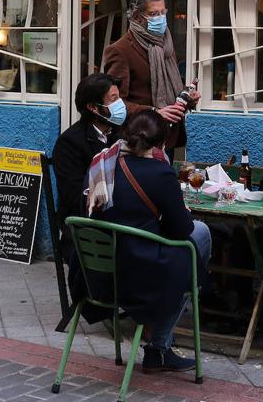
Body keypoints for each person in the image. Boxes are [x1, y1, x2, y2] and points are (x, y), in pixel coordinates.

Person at [85, 109, 211, 373]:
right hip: (139, 274)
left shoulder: (103, 164)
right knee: (197, 246)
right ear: (161, 144)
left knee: (191, 247)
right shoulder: (160, 173)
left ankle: (162, 343)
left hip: (95, 277)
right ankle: (159, 348)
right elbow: (180, 229)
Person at [103, 0, 199, 157]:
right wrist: (154, 111)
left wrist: (187, 98)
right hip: (140, 140)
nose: (161, 18)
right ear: (137, 16)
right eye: (154, 14)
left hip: (168, 136)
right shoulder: (120, 50)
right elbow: (114, 102)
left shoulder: (165, 44)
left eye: (163, 12)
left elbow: (168, 84)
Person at [52, 73, 125, 255]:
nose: (120, 105)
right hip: (86, 228)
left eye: (119, 98)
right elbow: (75, 199)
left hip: (120, 219)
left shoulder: (119, 133)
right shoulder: (70, 143)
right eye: (113, 100)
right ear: (93, 107)